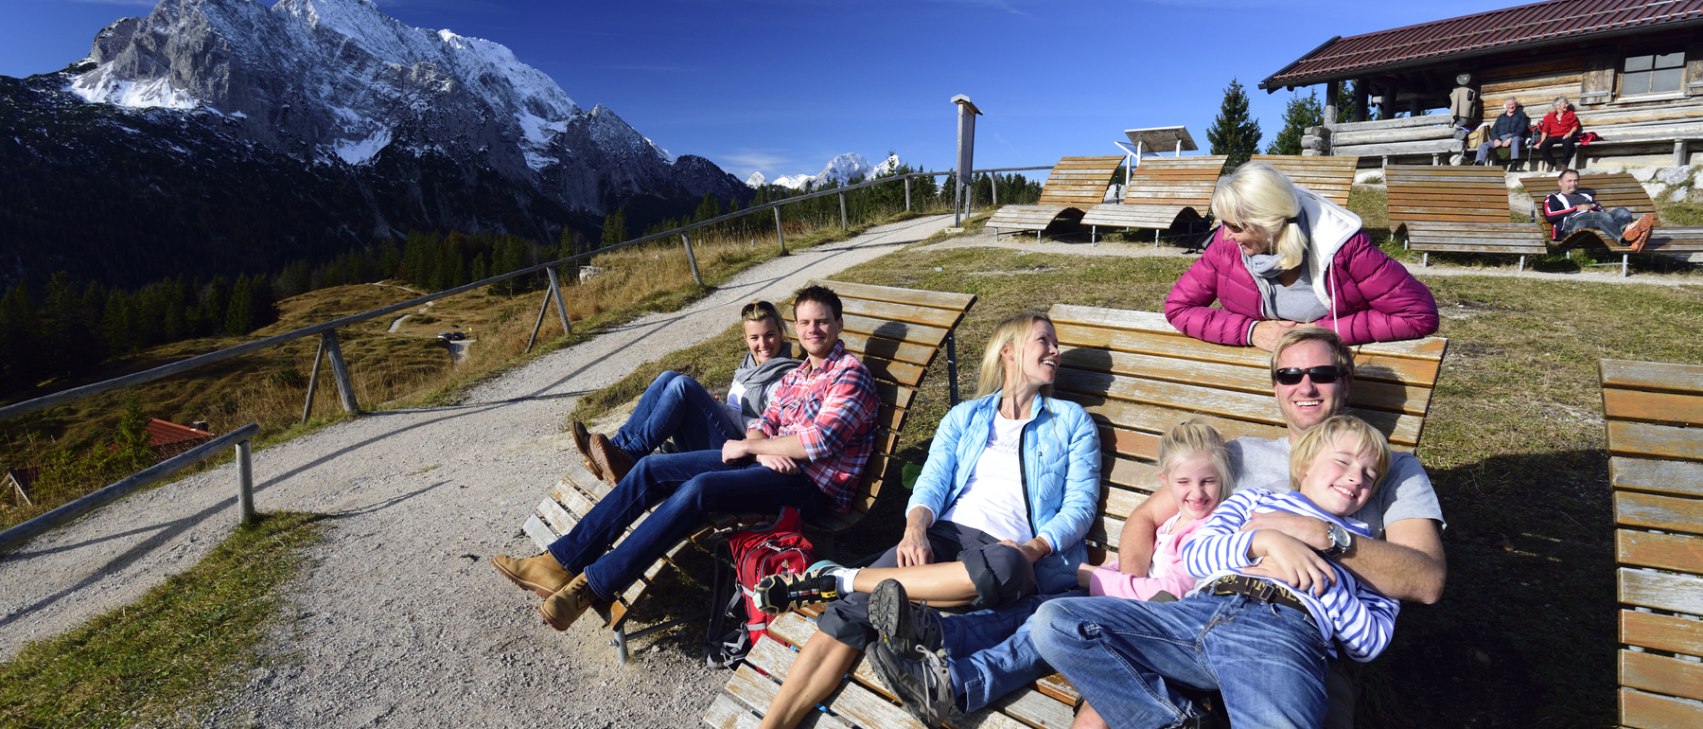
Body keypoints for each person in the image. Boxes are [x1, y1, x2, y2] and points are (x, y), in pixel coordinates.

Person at [751, 312, 1100, 729]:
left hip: (1013, 553)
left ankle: (840, 579)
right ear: (1008, 351)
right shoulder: (965, 417)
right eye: (1044, 341)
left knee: (1005, 566)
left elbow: (1080, 507)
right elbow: (931, 482)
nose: (1055, 351)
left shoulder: (1070, 421)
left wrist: (1033, 548)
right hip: (945, 536)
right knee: (848, 615)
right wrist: (915, 529)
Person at [490, 285, 879, 631]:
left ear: (839, 324)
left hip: (812, 488)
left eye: (823, 322)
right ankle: (557, 562)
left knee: (701, 488)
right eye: (806, 322)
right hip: (772, 468)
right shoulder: (796, 377)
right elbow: (765, 421)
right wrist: (762, 445)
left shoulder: (850, 375)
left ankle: (591, 587)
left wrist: (750, 447)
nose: (814, 330)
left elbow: (819, 441)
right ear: (797, 326)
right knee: (649, 468)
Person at [1116, 327, 1446, 729]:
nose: (1305, 386)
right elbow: (1146, 517)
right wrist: (1133, 585)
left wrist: (1322, 536)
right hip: (1203, 612)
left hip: (1311, 640)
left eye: (1321, 373)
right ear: (1276, 388)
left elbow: (1426, 581)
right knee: (1110, 688)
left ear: (1346, 382)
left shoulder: (1392, 469)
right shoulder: (1240, 455)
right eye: (1289, 375)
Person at [1032, 415, 1401, 728]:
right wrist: (1265, 541)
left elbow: (1369, 642)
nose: (1358, 477)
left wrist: (1322, 573)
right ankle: (1179, 720)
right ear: (1306, 463)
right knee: (1057, 621)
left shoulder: (1365, 550)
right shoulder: (1254, 500)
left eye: (1370, 473)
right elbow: (1196, 554)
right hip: (1196, 613)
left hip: (1281, 635)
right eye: (1344, 461)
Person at [860, 420, 1232, 729]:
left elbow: (1172, 593)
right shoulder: (1175, 517)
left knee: (1041, 632)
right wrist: (1103, 578)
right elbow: (1141, 555)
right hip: (1118, 600)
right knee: (1032, 610)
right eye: (1184, 483)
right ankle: (935, 633)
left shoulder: (1214, 530)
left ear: (1224, 478)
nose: (1197, 493)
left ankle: (955, 684)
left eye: (1207, 483)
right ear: (1165, 481)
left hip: (1151, 623)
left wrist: (1094, 577)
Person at [1164, 161, 1438, 350]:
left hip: (1330, 376)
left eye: (1235, 226)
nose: (1225, 236)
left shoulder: (1345, 248)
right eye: (1223, 223)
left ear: (1271, 223)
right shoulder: (1226, 247)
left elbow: (1417, 314)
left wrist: (1321, 332)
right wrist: (1252, 332)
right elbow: (1178, 308)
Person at [569, 300, 800, 484]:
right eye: (754, 337)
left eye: (769, 334)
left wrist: (719, 409)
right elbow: (733, 407)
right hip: (724, 439)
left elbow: (772, 430)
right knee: (668, 377)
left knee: (683, 386)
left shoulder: (785, 378)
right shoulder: (749, 367)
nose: (763, 344)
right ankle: (616, 449)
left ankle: (628, 458)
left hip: (743, 455)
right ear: (745, 339)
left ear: (781, 333)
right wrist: (714, 407)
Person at [1542, 169, 1656, 252]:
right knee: (1599, 217)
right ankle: (1626, 241)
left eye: (1576, 181)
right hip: (1570, 225)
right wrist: (1576, 209)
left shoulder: (1586, 196)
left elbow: (1601, 211)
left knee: (1622, 211)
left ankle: (1630, 233)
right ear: (1560, 183)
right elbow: (1550, 216)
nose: (1573, 184)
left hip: (1593, 218)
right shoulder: (1553, 198)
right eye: (1569, 181)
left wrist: (1593, 209)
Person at [1474, 98, 1530, 168]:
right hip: (1500, 138)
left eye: (1513, 104)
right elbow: (1493, 130)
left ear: (1516, 105)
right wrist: (1496, 139)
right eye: (1509, 104)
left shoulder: (1521, 115)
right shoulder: (1501, 117)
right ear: (1506, 106)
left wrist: (1510, 139)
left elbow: (1521, 129)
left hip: (1514, 137)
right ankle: (1479, 163)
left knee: (1516, 140)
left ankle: (1514, 163)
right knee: (1483, 145)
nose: (1511, 106)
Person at [1535, 96, 1582, 172]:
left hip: (1566, 134)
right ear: (1557, 106)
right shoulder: (1549, 117)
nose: (1566, 105)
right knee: (1544, 145)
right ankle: (1551, 163)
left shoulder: (1570, 114)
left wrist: (1570, 133)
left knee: (1568, 143)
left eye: (1567, 104)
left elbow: (1575, 126)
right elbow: (1545, 130)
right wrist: (1541, 141)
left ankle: (1565, 163)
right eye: (1565, 104)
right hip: (1553, 136)